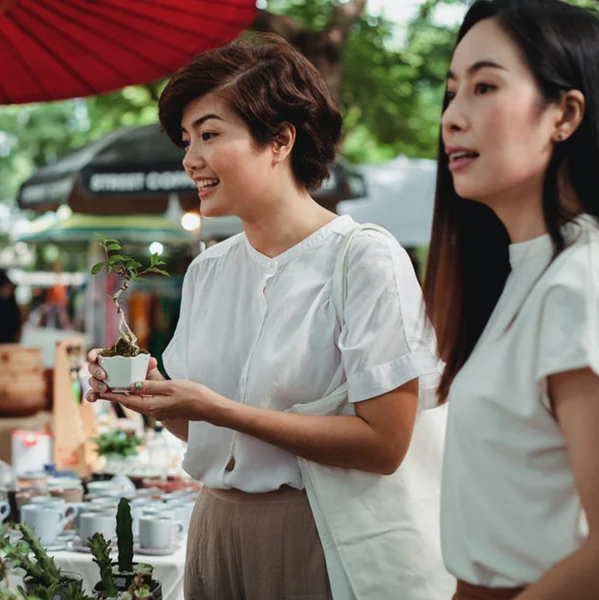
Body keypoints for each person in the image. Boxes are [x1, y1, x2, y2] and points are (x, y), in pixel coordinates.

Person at [86, 34, 448, 599]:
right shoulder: (208, 271)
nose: (190, 160)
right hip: (214, 529)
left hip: (317, 535)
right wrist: (152, 396)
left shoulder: (364, 259)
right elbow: (206, 433)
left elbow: (385, 444)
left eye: (209, 134)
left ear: (279, 140)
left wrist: (221, 409)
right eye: (186, 140)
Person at [424, 1, 599, 599]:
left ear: (565, 114)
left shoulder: (584, 281)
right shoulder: (525, 273)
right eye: (452, 92)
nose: (452, 118)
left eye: (484, 86)